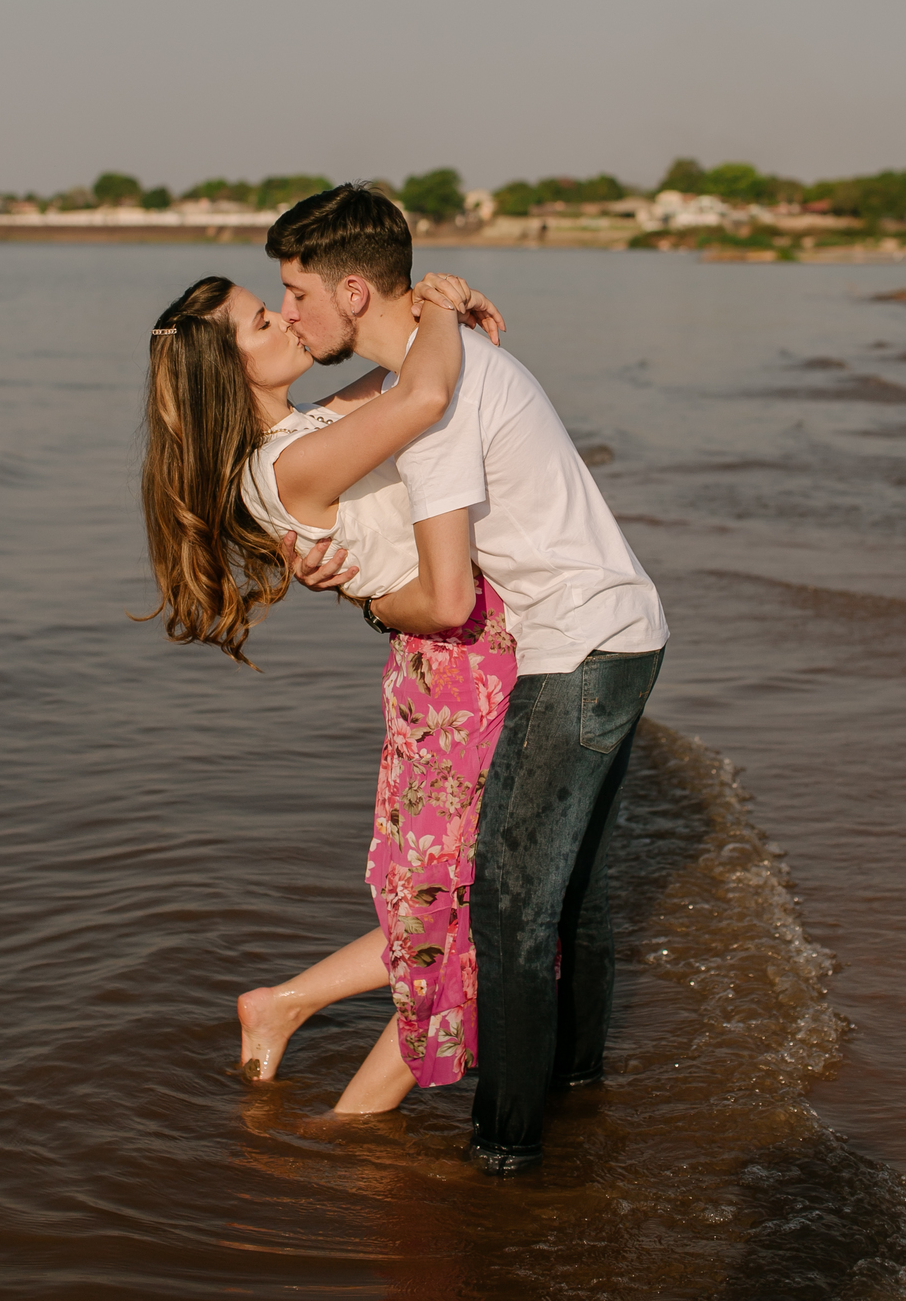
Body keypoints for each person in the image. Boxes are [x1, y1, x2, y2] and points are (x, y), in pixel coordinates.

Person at [268, 184, 668, 1175]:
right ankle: (577, 1094)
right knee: (574, 900)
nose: (289, 314)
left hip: (575, 648)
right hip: (626, 628)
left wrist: (365, 602)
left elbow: (447, 602)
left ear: (353, 292)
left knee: (509, 914)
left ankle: (505, 1156)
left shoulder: (437, 407)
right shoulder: (444, 367)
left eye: (297, 293)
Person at [139, 266, 516, 1115]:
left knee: (453, 902)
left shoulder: (310, 426)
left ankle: (285, 1005)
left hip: (457, 664)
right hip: (455, 670)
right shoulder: (291, 460)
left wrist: (432, 303)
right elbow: (422, 395)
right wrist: (441, 308)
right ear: (229, 372)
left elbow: (407, 369)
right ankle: (349, 1134)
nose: (286, 318)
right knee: (471, 916)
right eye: (261, 323)